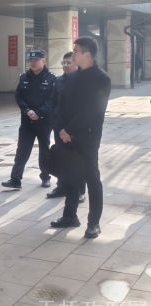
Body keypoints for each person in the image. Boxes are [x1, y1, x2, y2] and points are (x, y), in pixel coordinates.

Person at [50, 37, 111, 238]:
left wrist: (70, 129)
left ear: (87, 54)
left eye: (76, 51)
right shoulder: (72, 77)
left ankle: (93, 222)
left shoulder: (102, 78)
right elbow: (62, 105)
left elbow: (93, 110)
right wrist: (62, 130)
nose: (72, 54)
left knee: (92, 178)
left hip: (88, 137)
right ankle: (70, 216)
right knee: (69, 176)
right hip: (67, 136)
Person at [1, 50, 57, 190]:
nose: (33, 63)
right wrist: (27, 110)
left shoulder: (52, 79)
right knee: (22, 150)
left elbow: (51, 100)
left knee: (44, 150)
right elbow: (18, 96)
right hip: (27, 121)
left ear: (43, 61)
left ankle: (45, 177)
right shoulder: (24, 78)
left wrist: (39, 113)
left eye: (36, 60)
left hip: (44, 121)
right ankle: (15, 180)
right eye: (31, 60)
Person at [46, 52, 86, 203]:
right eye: (63, 63)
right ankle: (61, 187)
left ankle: (80, 190)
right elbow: (54, 102)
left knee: (77, 159)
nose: (65, 66)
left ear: (76, 64)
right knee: (61, 157)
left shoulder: (82, 81)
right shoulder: (58, 81)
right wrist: (54, 121)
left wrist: (72, 128)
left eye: (69, 63)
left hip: (75, 127)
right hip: (59, 126)